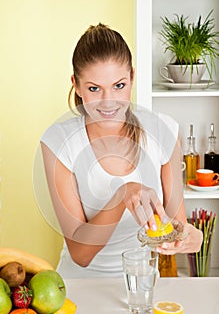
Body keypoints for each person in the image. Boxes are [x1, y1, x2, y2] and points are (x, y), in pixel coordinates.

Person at [40, 23, 203, 278]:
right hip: (80, 287)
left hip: (143, 285)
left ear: (132, 78)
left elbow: (174, 225)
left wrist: (190, 237)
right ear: (77, 85)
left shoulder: (164, 131)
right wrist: (121, 196)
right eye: (94, 88)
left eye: (119, 85)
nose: (109, 101)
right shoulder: (58, 142)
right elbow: (81, 254)